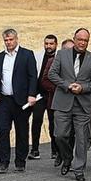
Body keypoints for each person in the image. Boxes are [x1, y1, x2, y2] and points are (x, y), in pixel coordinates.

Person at [48, 28, 91, 181]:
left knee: (81, 139)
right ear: (74, 39)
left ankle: (78, 169)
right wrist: (67, 85)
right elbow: (52, 74)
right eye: (80, 39)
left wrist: (83, 88)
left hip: (82, 104)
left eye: (85, 40)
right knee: (60, 135)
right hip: (63, 101)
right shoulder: (62, 54)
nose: (82, 43)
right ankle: (66, 157)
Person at [0, 29, 40, 173]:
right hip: (4, 100)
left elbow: (33, 76)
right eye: (6, 40)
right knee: (2, 130)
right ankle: (3, 162)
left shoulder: (27, 55)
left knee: (22, 131)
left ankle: (20, 161)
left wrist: (32, 94)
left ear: (16, 39)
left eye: (11, 39)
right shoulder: (0, 57)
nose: (9, 43)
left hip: (21, 100)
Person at [34, 34, 59, 162]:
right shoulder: (38, 56)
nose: (48, 46)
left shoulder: (59, 58)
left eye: (51, 44)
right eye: (46, 44)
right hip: (39, 95)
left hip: (53, 95)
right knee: (36, 121)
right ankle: (34, 149)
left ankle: (55, 149)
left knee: (53, 123)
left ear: (56, 44)